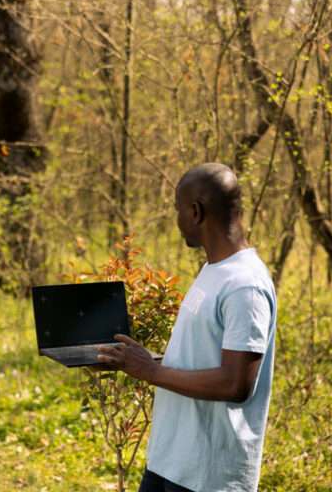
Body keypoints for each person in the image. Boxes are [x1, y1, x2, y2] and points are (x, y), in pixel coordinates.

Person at [97, 163, 277, 492]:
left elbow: (235, 383)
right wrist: (140, 360)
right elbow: (202, 356)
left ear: (195, 212)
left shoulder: (244, 284)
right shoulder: (215, 270)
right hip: (171, 461)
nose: (176, 220)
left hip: (208, 475)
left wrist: (149, 372)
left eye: (177, 210)